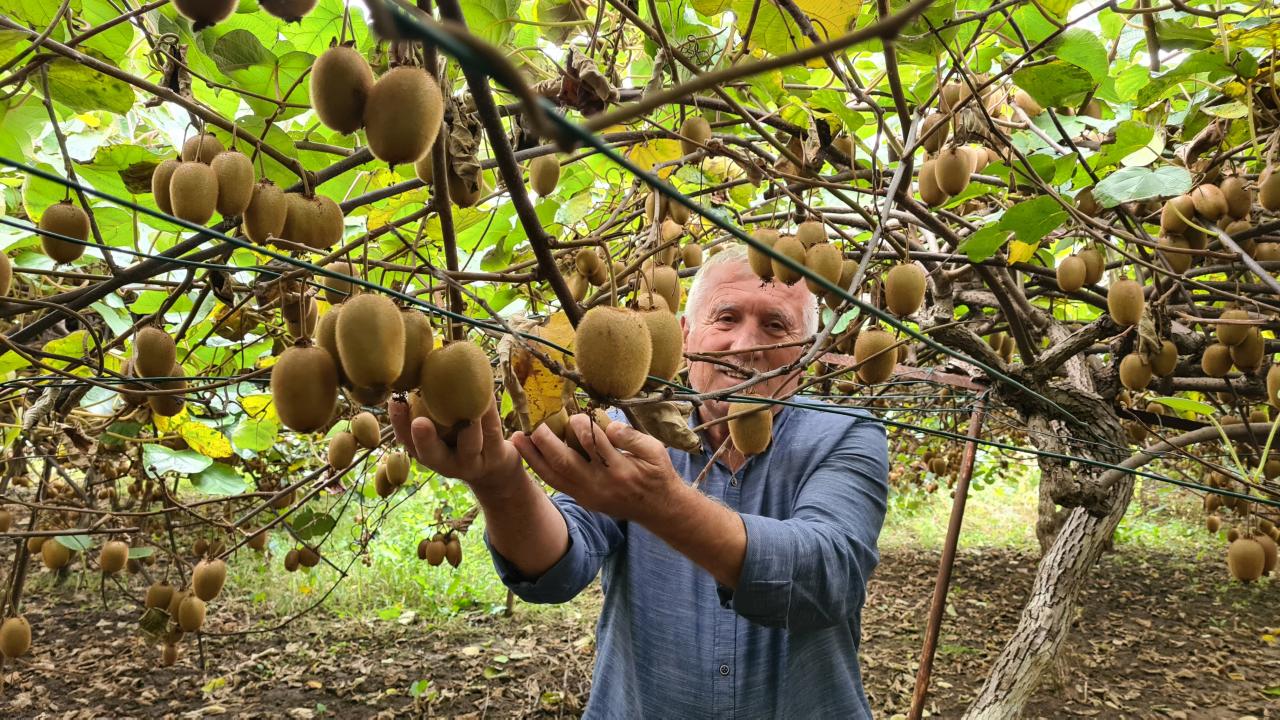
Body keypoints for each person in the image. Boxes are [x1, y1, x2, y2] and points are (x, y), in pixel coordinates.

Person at [388, 245, 889, 718]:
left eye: (775, 325)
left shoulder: (846, 434)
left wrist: (660, 504)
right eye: (726, 318)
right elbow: (559, 567)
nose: (745, 345)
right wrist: (499, 485)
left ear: (807, 353)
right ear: (685, 336)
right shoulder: (625, 431)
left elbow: (827, 576)